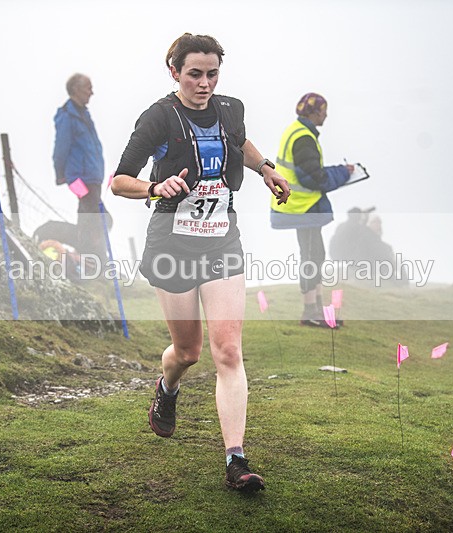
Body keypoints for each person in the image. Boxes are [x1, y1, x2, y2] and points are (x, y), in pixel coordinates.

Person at [110, 33, 290, 492]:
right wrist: (154, 187)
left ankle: (236, 460)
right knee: (187, 352)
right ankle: (166, 388)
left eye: (212, 73)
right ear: (175, 72)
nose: (204, 83)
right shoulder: (158, 116)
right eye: (195, 74)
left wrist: (266, 168)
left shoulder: (231, 109)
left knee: (228, 350)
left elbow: (241, 142)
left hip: (220, 240)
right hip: (172, 240)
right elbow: (119, 181)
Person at [270, 93, 353, 327]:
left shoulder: (298, 131)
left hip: (302, 206)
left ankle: (316, 310)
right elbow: (314, 178)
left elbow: (311, 170)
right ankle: (310, 312)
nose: (326, 114)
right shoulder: (304, 137)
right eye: (324, 110)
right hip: (301, 207)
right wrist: (344, 174)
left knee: (315, 255)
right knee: (310, 257)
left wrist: (339, 171)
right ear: (314, 112)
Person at [52, 73, 107, 265]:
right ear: (76, 89)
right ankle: (93, 261)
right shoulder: (67, 115)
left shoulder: (84, 113)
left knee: (89, 215)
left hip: (93, 176)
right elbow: (61, 147)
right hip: (78, 178)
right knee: (97, 217)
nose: (92, 92)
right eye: (88, 88)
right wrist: (61, 175)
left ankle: (92, 261)